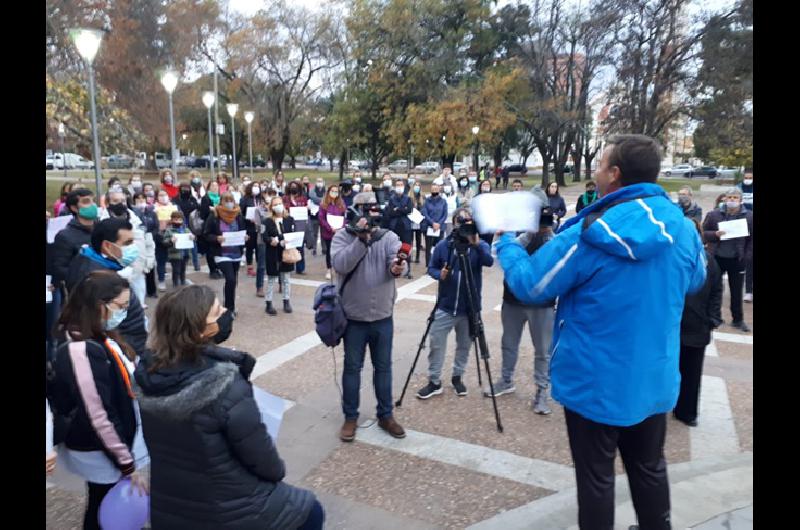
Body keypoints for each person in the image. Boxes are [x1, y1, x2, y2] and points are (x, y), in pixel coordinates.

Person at [496, 134, 707, 530]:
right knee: (649, 467)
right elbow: (696, 278)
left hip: (594, 381)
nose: (594, 172)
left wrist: (506, 242)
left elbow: (530, 286)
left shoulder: (589, 234)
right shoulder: (682, 228)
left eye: (599, 165)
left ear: (614, 174)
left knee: (596, 478)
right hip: (652, 375)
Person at [134, 285, 324, 529]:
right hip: (228, 509)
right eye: (217, 312)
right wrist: (276, 473)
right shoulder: (223, 386)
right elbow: (263, 460)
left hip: (170, 503)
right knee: (311, 511)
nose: (226, 312)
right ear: (199, 330)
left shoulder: (149, 376)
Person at [50, 271, 149, 530]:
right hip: (100, 448)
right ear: (99, 305)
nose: (124, 313)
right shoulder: (81, 348)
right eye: (121, 306)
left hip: (108, 445)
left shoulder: (97, 336)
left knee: (102, 500)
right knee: (102, 505)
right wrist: (126, 463)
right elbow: (98, 414)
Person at [330, 192, 408, 442]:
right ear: (356, 212)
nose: (371, 216)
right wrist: (360, 241)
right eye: (366, 211)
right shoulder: (342, 237)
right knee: (352, 368)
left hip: (383, 317)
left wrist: (398, 267)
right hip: (353, 318)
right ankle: (350, 417)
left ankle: (386, 415)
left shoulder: (389, 237)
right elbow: (341, 265)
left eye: (374, 211)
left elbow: (395, 263)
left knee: (383, 368)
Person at [483, 203, 555, 414]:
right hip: (513, 301)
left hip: (542, 305)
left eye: (545, 223)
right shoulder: (518, 240)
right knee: (509, 343)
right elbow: (498, 257)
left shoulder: (556, 243)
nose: (541, 227)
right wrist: (502, 237)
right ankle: (506, 380)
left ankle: (541, 392)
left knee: (543, 350)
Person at [416, 209, 493, 399]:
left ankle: (457, 377)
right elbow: (431, 268)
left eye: (469, 220)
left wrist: (476, 245)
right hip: (446, 305)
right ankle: (434, 381)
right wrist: (439, 275)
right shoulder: (444, 246)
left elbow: (489, 261)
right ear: (454, 223)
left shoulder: (478, 244)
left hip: (469, 308)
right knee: (436, 343)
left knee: (464, 345)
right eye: (461, 220)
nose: (465, 224)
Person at [66, 217, 149, 355]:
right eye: (127, 243)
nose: (133, 248)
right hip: (121, 349)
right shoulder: (94, 278)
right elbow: (95, 323)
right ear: (107, 246)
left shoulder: (94, 263)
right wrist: (127, 353)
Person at [674, 220, 723, 427]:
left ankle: (687, 411)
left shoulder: (708, 261)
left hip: (697, 325)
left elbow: (716, 291)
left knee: (691, 372)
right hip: (671, 325)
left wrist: (713, 318)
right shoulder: (670, 259)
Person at [702, 188, 753, 331]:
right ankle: (714, 316)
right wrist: (715, 234)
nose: (731, 200)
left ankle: (738, 319)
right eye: (729, 197)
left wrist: (747, 256)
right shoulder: (713, 215)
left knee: (736, 291)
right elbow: (702, 233)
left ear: (740, 200)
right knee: (714, 289)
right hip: (716, 258)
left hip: (737, 259)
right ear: (724, 199)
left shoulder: (749, 216)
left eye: (735, 198)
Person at [105, 191, 155, 310]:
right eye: (115, 201)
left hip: (138, 269)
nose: (120, 204)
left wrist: (148, 261)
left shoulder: (137, 219)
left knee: (138, 307)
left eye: (122, 201)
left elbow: (148, 241)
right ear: (108, 203)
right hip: (115, 272)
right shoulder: (102, 221)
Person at [204, 191, 248, 314]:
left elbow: (243, 230)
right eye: (226, 201)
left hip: (236, 253)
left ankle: (230, 305)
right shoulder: (214, 216)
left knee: (233, 280)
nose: (229, 203)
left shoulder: (238, 215)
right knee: (230, 278)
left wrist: (245, 237)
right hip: (221, 254)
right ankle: (228, 308)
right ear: (221, 202)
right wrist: (216, 238)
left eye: (231, 201)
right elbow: (206, 234)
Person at [51, 189, 97, 294]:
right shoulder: (65, 236)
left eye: (93, 201)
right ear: (74, 208)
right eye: (86, 202)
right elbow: (60, 269)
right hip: (81, 293)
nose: (92, 205)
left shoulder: (102, 230)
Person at [261, 196, 296, 315]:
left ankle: (286, 301)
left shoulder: (289, 219)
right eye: (275, 204)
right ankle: (268, 302)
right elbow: (264, 236)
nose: (278, 206)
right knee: (271, 278)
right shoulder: (267, 221)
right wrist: (272, 240)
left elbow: (293, 233)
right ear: (271, 207)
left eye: (280, 203)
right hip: (272, 252)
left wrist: (285, 240)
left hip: (286, 252)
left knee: (286, 278)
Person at [131, 192, 160, 299]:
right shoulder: (133, 213)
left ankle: (151, 290)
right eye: (138, 199)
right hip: (136, 241)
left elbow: (156, 227)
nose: (141, 201)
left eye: (143, 199)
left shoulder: (151, 213)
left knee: (150, 265)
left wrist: (150, 235)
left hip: (148, 240)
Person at [385, 178, 414, 278]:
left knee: (406, 248)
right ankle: (395, 267)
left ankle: (408, 270)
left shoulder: (408, 199)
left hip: (405, 226)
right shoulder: (391, 199)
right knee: (394, 248)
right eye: (397, 185)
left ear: (404, 186)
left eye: (401, 184)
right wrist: (402, 209)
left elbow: (409, 210)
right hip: (394, 226)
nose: (399, 186)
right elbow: (391, 213)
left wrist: (398, 209)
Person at [319, 184, 346, 280]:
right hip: (328, 232)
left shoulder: (341, 204)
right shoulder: (324, 204)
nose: (334, 193)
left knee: (339, 251)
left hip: (339, 232)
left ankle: (338, 269)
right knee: (329, 251)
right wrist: (330, 228)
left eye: (336, 191)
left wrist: (340, 228)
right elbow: (321, 219)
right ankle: (329, 269)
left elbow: (344, 218)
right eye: (332, 191)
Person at [161, 210, 194, 288]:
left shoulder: (186, 230)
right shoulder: (169, 231)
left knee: (183, 269)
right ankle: (176, 284)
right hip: (175, 255)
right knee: (176, 270)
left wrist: (193, 237)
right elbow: (165, 242)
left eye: (180, 219)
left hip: (185, 254)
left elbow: (192, 238)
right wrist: (171, 241)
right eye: (175, 219)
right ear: (172, 220)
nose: (178, 221)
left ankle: (183, 281)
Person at [173, 182, 201, 272]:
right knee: (181, 245)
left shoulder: (192, 199)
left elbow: (197, 210)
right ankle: (183, 265)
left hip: (191, 223)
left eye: (187, 188)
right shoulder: (175, 199)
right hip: (179, 223)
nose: (185, 190)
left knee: (193, 244)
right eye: (183, 188)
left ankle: (196, 264)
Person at [240, 182, 265, 278]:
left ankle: (260, 266)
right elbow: (240, 214)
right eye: (254, 186)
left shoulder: (261, 199)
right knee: (250, 248)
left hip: (259, 227)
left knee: (259, 247)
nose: (256, 188)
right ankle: (250, 267)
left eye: (257, 186)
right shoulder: (244, 199)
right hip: (249, 227)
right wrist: (248, 219)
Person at [283, 181, 309, 275]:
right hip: (288, 223)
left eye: (295, 186)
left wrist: (307, 208)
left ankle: (300, 268)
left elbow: (306, 209)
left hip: (299, 224)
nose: (293, 188)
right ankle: (288, 267)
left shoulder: (303, 198)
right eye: (292, 186)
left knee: (300, 247)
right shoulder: (285, 198)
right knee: (288, 245)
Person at [199, 180, 223, 279]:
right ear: (208, 188)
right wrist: (212, 210)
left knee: (219, 249)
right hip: (210, 225)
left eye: (216, 185)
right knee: (210, 250)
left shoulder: (221, 198)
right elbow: (203, 214)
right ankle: (212, 270)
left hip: (220, 225)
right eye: (212, 186)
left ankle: (219, 268)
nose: (215, 187)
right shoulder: (206, 198)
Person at [154, 189, 176, 291]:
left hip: (174, 235)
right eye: (160, 195)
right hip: (160, 236)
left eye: (165, 195)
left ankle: (178, 279)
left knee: (176, 259)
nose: (163, 197)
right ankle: (161, 280)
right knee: (161, 260)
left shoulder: (174, 207)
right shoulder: (154, 208)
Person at [736, 169, 754, 302]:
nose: (748, 179)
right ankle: (747, 291)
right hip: (742, 223)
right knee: (746, 257)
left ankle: (749, 289)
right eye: (746, 177)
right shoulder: (738, 188)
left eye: (750, 177)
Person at [421, 183, 448, 266]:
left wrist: (439, 224)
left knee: (439, 247)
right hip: (429, 227)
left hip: (440, 228)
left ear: (439, 190)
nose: (434, 191)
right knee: (428, 248)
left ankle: (438, 265)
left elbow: (445, 214)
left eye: (436, 189)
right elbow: (425, 213)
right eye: (433, 189)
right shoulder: (426, 201)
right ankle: (429, 265)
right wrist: (432, 223)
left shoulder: (443, 201)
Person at [306, 177, 326, 256]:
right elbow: (313, 197)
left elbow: (328, 199)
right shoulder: (312, 191)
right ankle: (314, 249)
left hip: (324, 216)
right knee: (314, 233)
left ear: (323, 182)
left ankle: (324, 249)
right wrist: (322, 201)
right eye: (318, 181)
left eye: (321, 181)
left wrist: (320, 201)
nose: (319, 182)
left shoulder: (326, 190)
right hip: (314, 216)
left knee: (323, 233)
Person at [409, 180, 425, 264]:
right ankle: (410, 255)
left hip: (419, 221)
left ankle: (418, 256)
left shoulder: (422, 197)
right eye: (416, 185)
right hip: (411, 220)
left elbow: (424, 208)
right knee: (410, 240)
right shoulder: (409, 197)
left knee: (418, 240)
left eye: (418, 186)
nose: (417, 187)